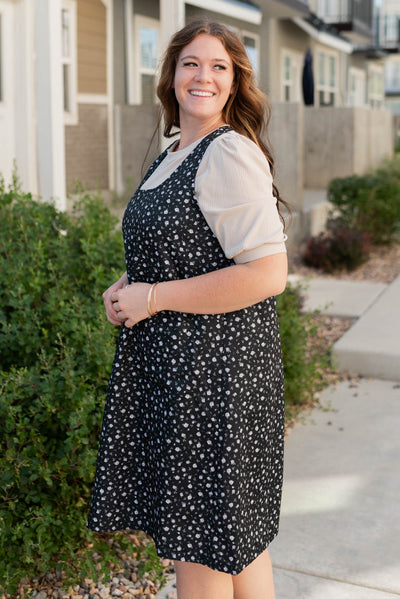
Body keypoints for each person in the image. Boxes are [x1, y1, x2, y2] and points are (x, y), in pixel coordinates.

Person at [87, 18, 288, 599]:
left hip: (212, 379)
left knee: (200, 546)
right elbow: (184, 248)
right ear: (172, 75)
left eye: (218, 66)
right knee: (234, 541)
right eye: (191, 64)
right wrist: (130, 284)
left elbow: (267, 273)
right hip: (183, 374)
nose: (203, 76)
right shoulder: (178, 148)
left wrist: (152, 298)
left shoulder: (227, 151)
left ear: (234, 83)